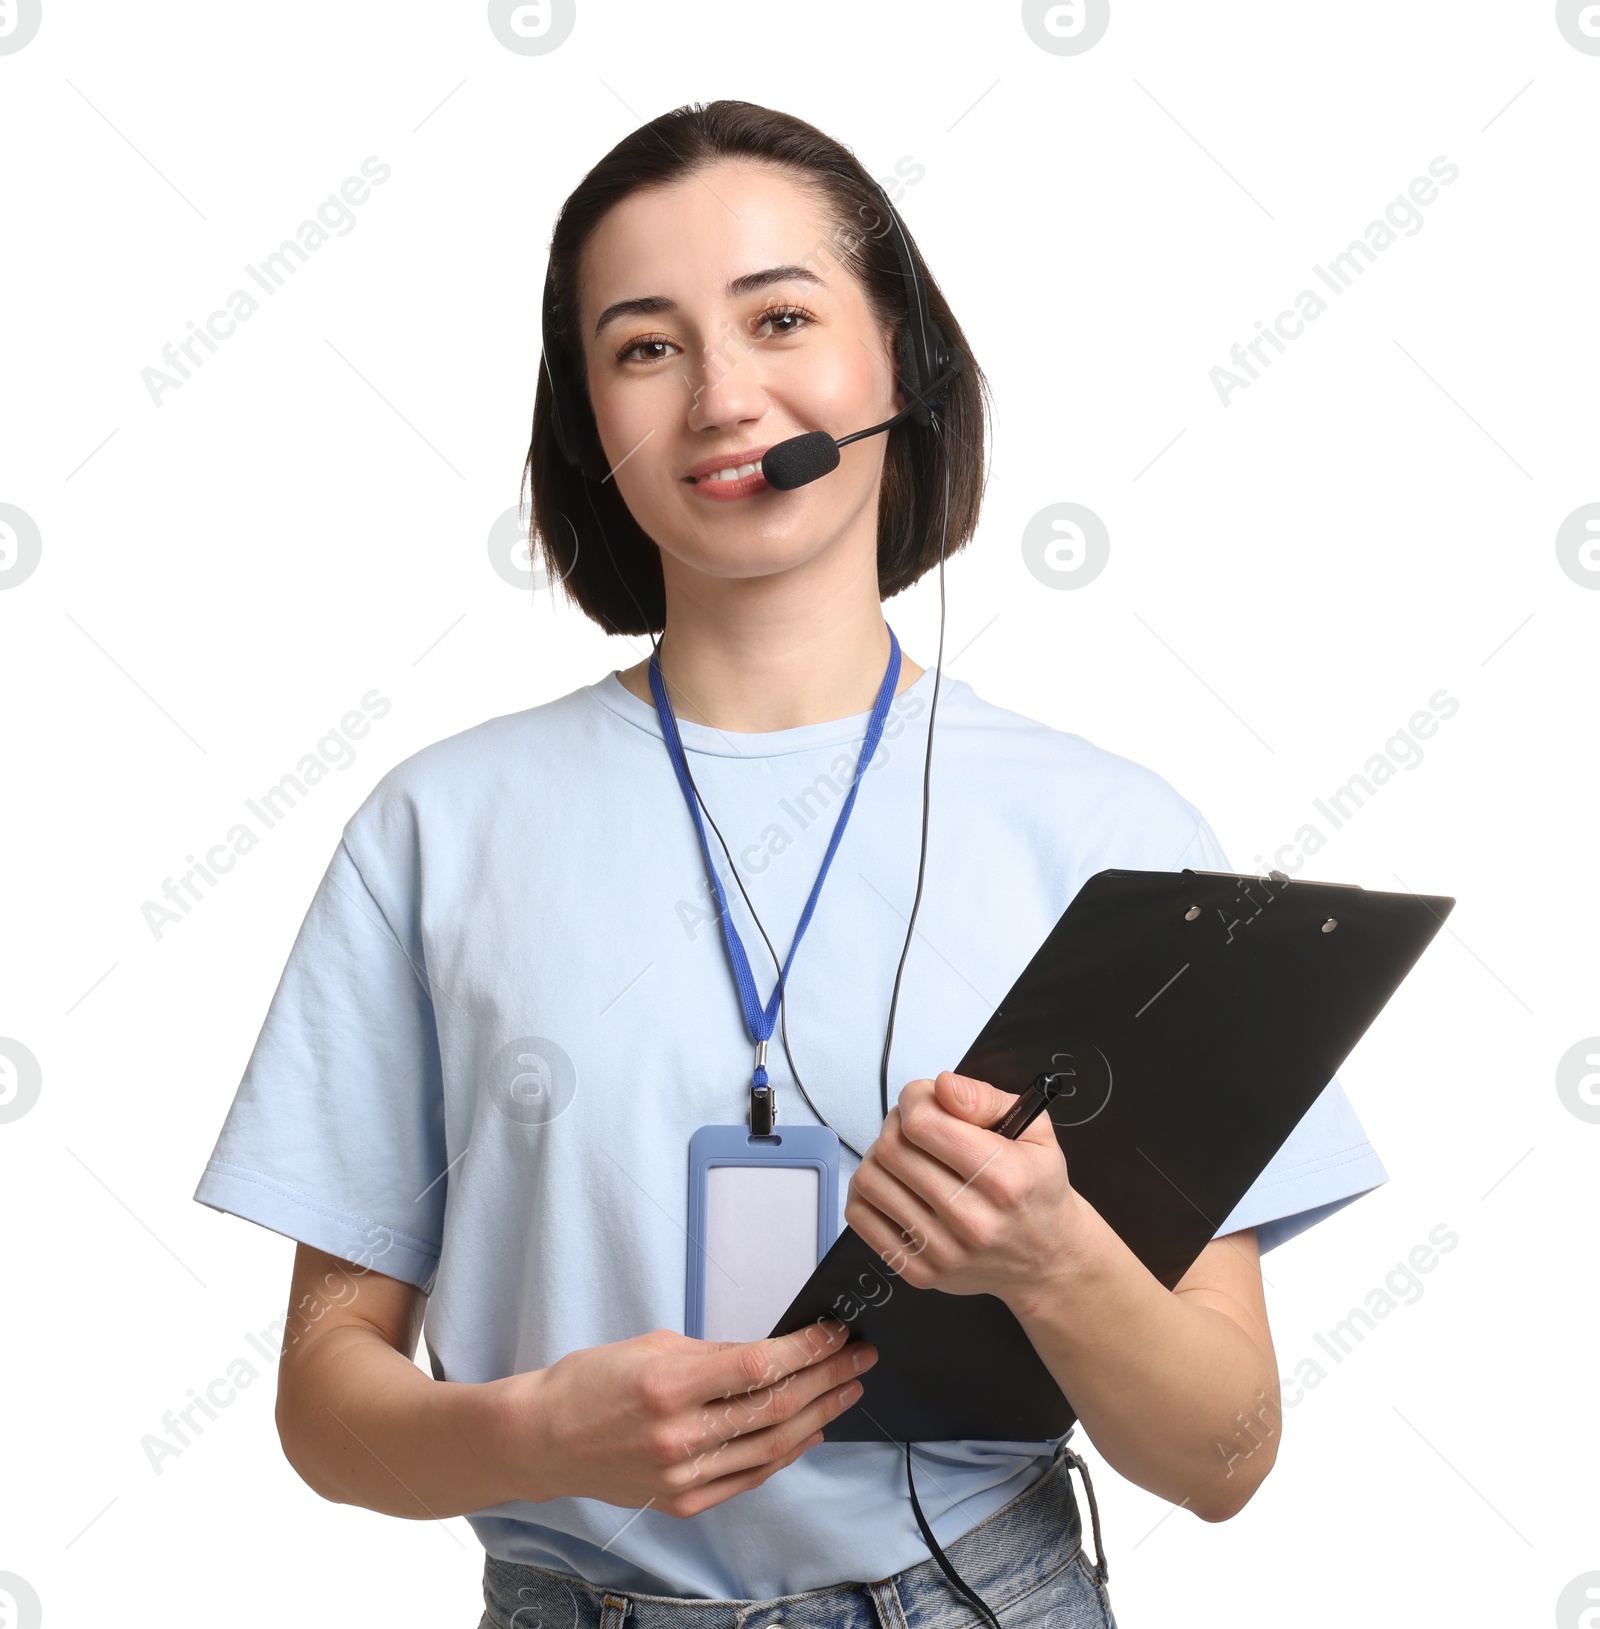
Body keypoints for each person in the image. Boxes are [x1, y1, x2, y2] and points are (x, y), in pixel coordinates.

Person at [194, 100, 1390, 1629]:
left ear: (906, 367)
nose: (719, 396)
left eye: (779, 317)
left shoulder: (1116, 835)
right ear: (589, 427)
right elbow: (323, 1402)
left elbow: (1225, 1452)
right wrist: (538, 1428)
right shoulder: (437, 827)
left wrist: (1050, 1255)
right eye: (645, 347)